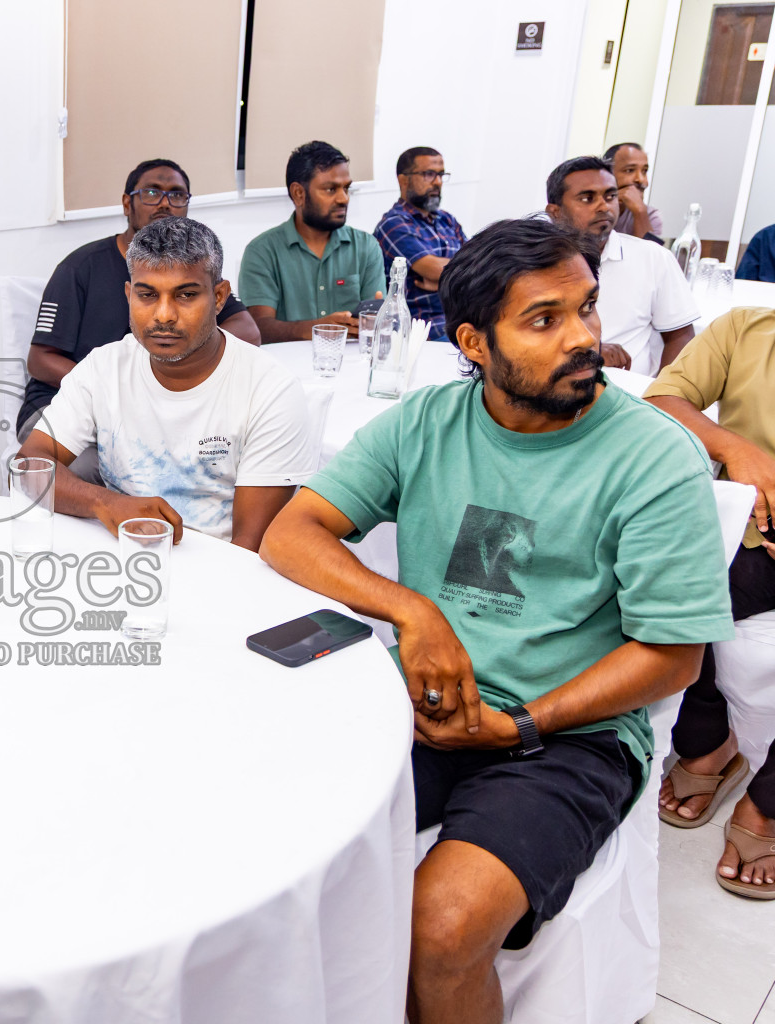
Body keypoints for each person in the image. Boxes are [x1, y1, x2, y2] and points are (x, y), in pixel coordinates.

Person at [259, 218, 732, 1023]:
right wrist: (411, 610)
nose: (585, 338)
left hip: (570, 735)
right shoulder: (425, 422)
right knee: (266, 847)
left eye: (586, 308)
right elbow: (290, 534)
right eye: (544, 320)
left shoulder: (653, 457)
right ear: (474, 342)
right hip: (425, 702)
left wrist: (518, 726)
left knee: (440, 929)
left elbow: (672, 657)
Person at [19, 217, 313, 550]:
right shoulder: (104, 367)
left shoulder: (270, 390)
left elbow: (249, 547)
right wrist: (105, 503)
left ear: (219, 297)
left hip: (222, 576)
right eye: (147, 295)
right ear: (129, 295)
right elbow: (29, 465)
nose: (163, 315)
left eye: (185, 295)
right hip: (121, 561)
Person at [645, 307, 775, 898]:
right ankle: (708, 740)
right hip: (748, 535)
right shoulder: (748, 328)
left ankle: (769, 798)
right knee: (676, 588)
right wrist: (735, 448)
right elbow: (662, 399)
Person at [19, 158, 260, 434]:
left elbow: (248, 332)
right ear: (126, 204)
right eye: (151, 192)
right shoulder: (80, 267)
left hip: (155, 408)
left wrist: (181, 362)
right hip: (62, 403)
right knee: (106, 464)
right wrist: (116, 391)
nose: (164, 203)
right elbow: (39, 360)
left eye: (177, 194)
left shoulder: (194, 270)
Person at [545, 155, 697, 375]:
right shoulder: (535, 263)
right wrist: (587, 354)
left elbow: (680, 336)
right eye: (587, 198)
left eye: (611, 196)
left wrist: (660, 394)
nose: (603, 206)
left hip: (630, 395)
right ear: (555, 212)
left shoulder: (653, 258)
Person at [239, 141, 385, 343]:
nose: (344, 199)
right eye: (330, 189)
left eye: (346, 188)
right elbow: (258, 328)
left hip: (352, 364)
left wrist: (377, 321)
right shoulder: (262, 251)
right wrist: (320, 328)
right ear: (299, 193)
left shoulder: (366, 246)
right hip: (286, 367)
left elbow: (376, 320)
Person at [373, 146, 468, 339]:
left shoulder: (447, 220)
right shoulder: (393, 224)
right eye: (429, 174)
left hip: (462, 321)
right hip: (424, 331)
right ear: (403, 179)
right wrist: (455, 276)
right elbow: (434, 270)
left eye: (441, 175)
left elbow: (481, 266)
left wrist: (442, 283)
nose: (438, 182)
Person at [603, 142, 665, 243]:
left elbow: (651, 257)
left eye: (644, 171)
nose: (641, 180)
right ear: (606, 175)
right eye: (630, 170)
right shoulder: (591, 208)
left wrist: (640, 212)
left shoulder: (651, 216)